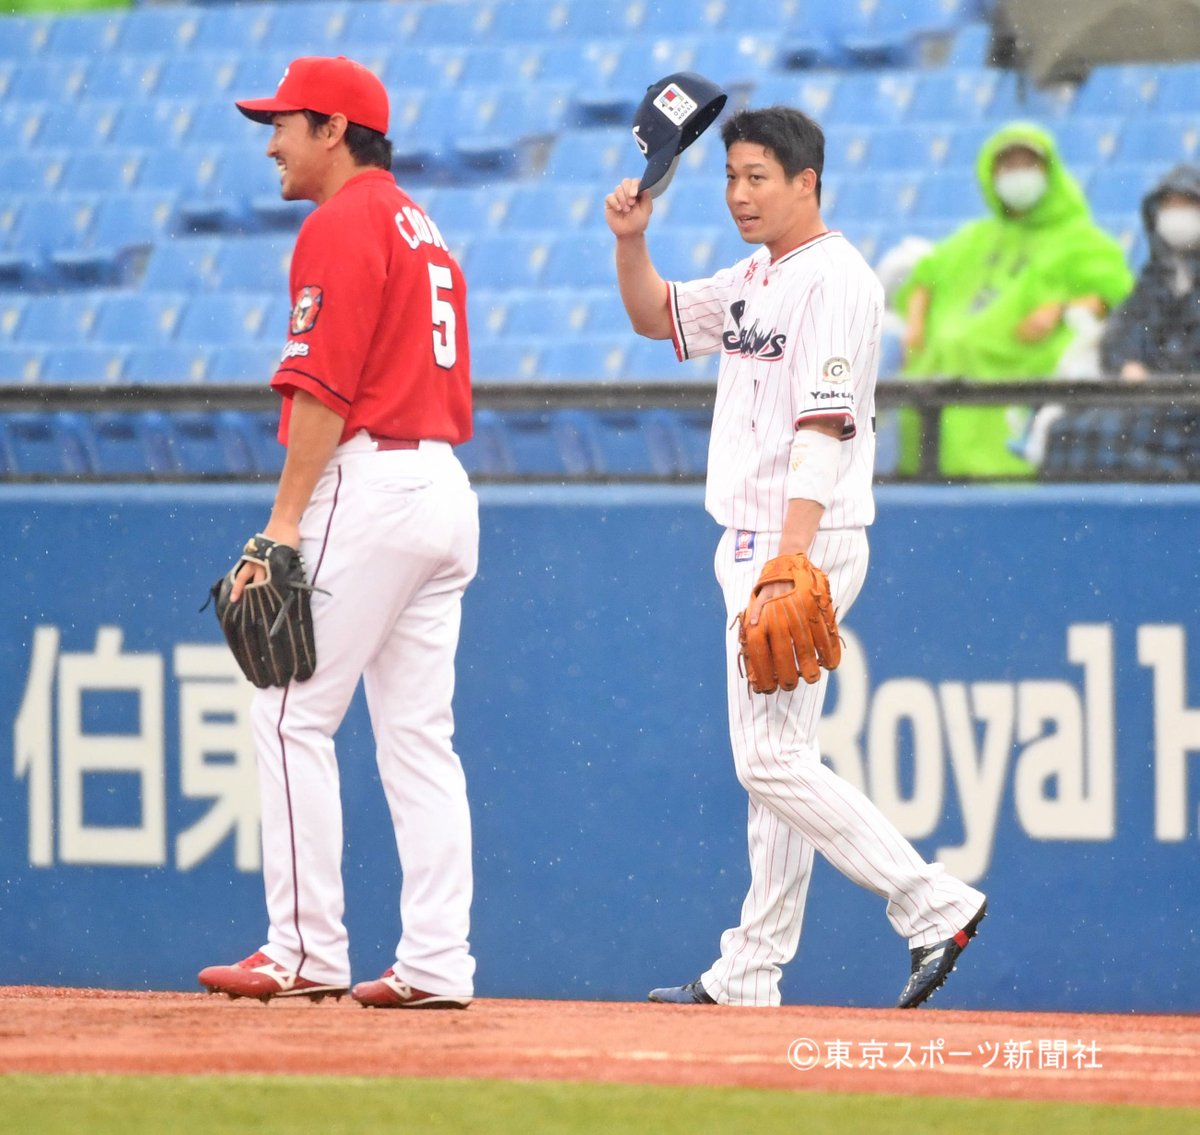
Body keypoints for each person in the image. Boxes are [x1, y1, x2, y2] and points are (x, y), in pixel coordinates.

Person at [605, 102, 988, 1009]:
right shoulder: (753, 273)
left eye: (758, 177)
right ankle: (751, 968)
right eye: (732, 176)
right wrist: (630, 239)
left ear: (806, 181)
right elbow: (655, 318)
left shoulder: (838, 279)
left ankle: (932, 901)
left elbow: (824, 422)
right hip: (756, 541)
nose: (739, 193)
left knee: (765, 761)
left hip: (797, 540)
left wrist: (788, 556)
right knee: (779, 753)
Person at [197, 56, 479, 1010]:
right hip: (440, 481)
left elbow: (321, 383)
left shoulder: (343, 220)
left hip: (375, 483)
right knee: (418, 740)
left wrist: (280, 528)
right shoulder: (422, 225)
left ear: (334, 129)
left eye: (283, 123)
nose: (270, 142)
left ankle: (306, 946)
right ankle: (439, 960)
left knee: (286, 712)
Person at [896, 122, 1133, 477]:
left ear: (1049, 172)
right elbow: (925, 275)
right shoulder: (976, 236)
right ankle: (935, 471)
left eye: (1028, 165)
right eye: (1007, 167)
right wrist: (915, 323)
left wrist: (1060, 309)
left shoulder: (1083, 239)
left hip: (1027, 353)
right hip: (951, 359)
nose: (1017, 176)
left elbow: (1111, 298)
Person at [1101, 164, 1200, 379]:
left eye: (1187, 205)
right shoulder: (1154, 279)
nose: (1177, 216)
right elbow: (1124, 332)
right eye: (1170, 206)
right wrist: (1126, 363)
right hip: (1147, 401)